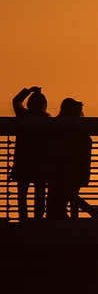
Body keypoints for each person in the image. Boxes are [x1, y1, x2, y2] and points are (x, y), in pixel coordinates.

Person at [46, 98, 98, 219]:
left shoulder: (57, 126)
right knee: (69, 194)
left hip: (62, 170)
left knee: (59, 197)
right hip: (76, 171)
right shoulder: (80, 129)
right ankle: (85, 212)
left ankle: (87, 211)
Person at [10, 87, 49, 219]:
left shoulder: (23, 116)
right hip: (40, 162)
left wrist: (28, 91)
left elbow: (16, 101)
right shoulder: (47, 121)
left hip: (23, 162)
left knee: (22, 193)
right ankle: (38, 218)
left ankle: (23, 218)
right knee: (40, 193)